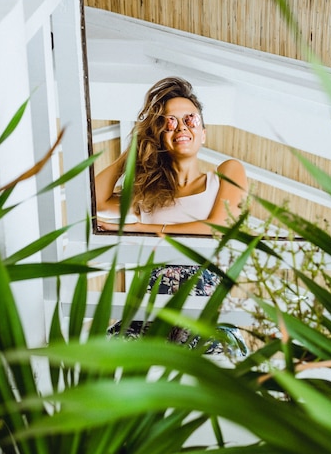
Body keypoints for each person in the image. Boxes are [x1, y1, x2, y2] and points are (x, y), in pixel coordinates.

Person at [95, 77, 248, 356]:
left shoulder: (226, 173)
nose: (181, 127)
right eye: (169, 122)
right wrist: (134, 149)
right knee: (103, 357)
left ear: (204, 132)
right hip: (148, 311)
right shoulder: (148, 196)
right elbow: (94, 199)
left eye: (191, 119)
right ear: (160, 136)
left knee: (225, 368)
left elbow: (218, 226)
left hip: (204, 310)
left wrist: (141, 228)